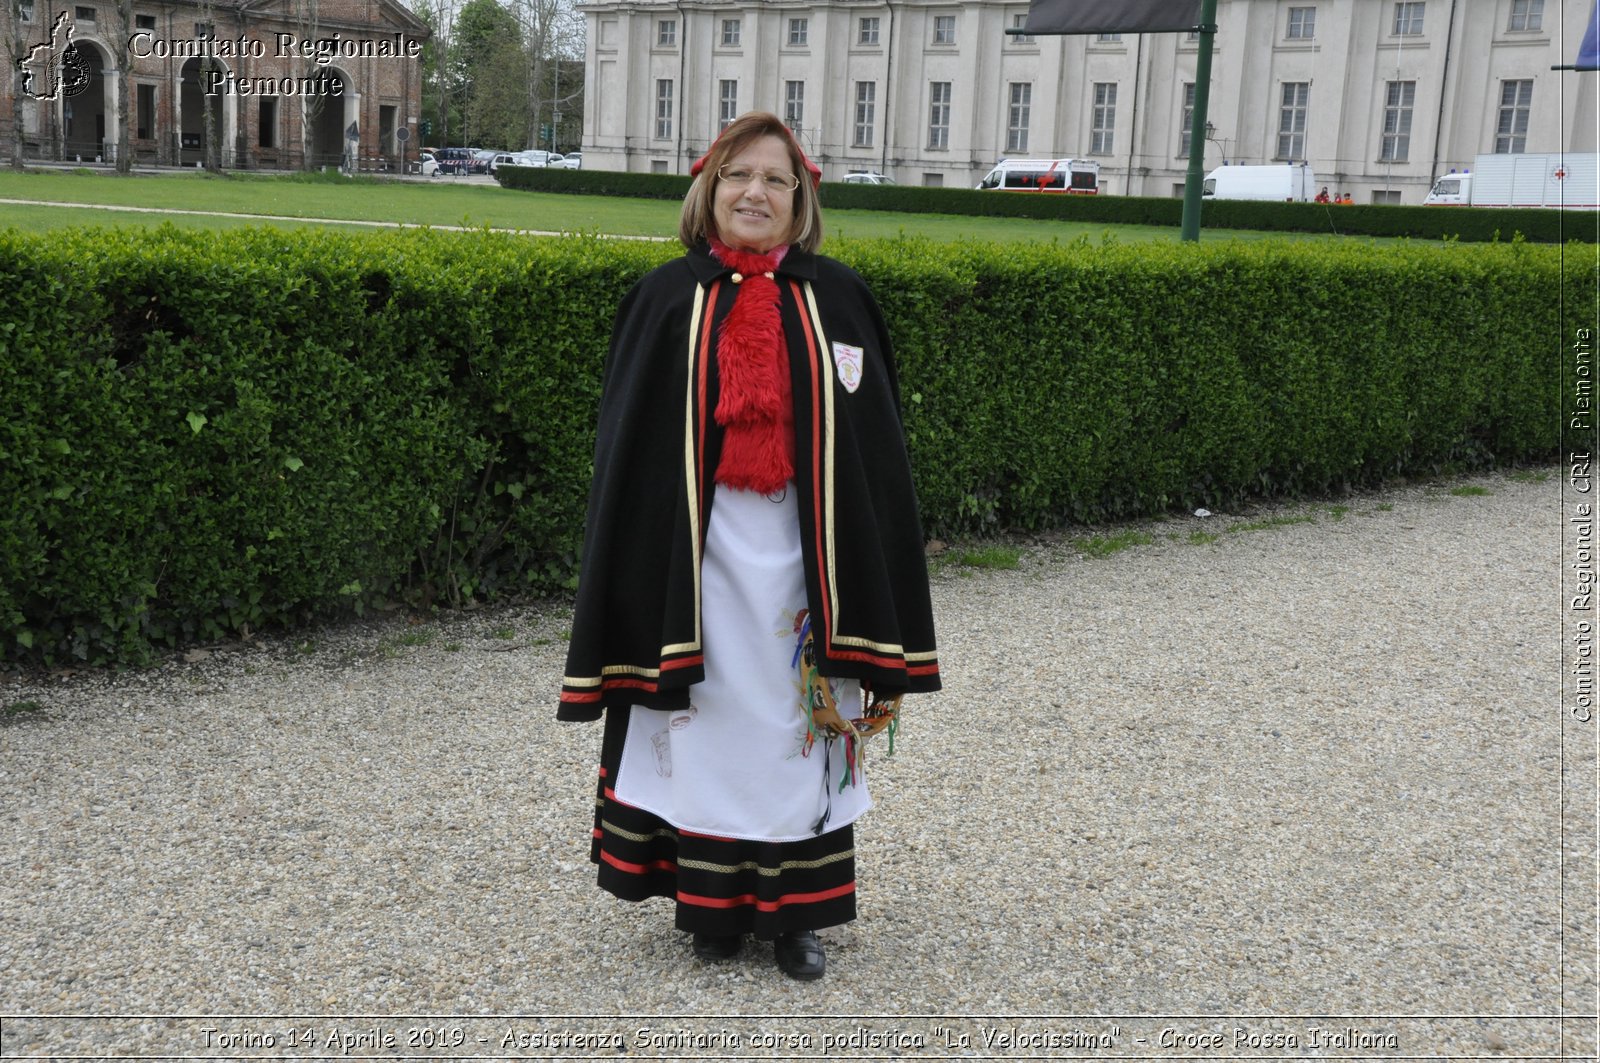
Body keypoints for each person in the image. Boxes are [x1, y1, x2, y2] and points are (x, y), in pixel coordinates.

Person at [558, 111, 941, 981]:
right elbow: (630, 459)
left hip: (809, 572)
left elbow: (875, 456)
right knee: (705, 734)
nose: (755, 193)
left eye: (774, 179)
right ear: (709, 191)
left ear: (800, 198)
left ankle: (797, 918)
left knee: (793, 735)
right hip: (694, 573)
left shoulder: (838, 299)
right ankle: (713, 914)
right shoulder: (663, 298)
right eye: (738, 177)